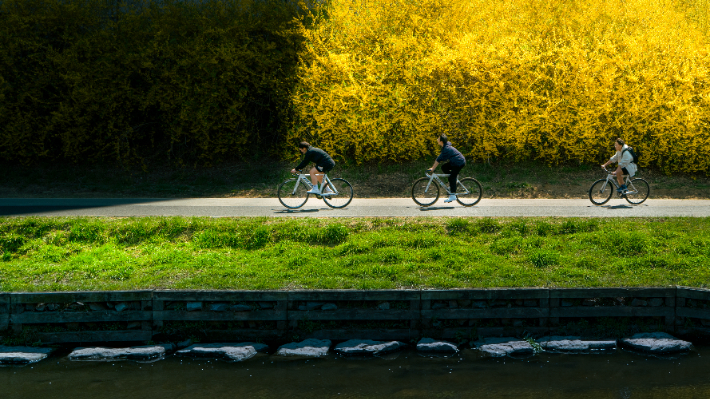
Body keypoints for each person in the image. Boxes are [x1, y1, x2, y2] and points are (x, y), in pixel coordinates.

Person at [428, 134, 466, 203]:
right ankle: (453, 182)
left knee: (452, 177)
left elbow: (438, 159)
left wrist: (433, 168)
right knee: (444, 167)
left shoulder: (446, 148)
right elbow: (440, 159)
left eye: (438, 138)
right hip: (455, 161)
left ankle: (452, 195)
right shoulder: (445, 147)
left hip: (458, 162)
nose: (437, 139)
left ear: (441, 141)